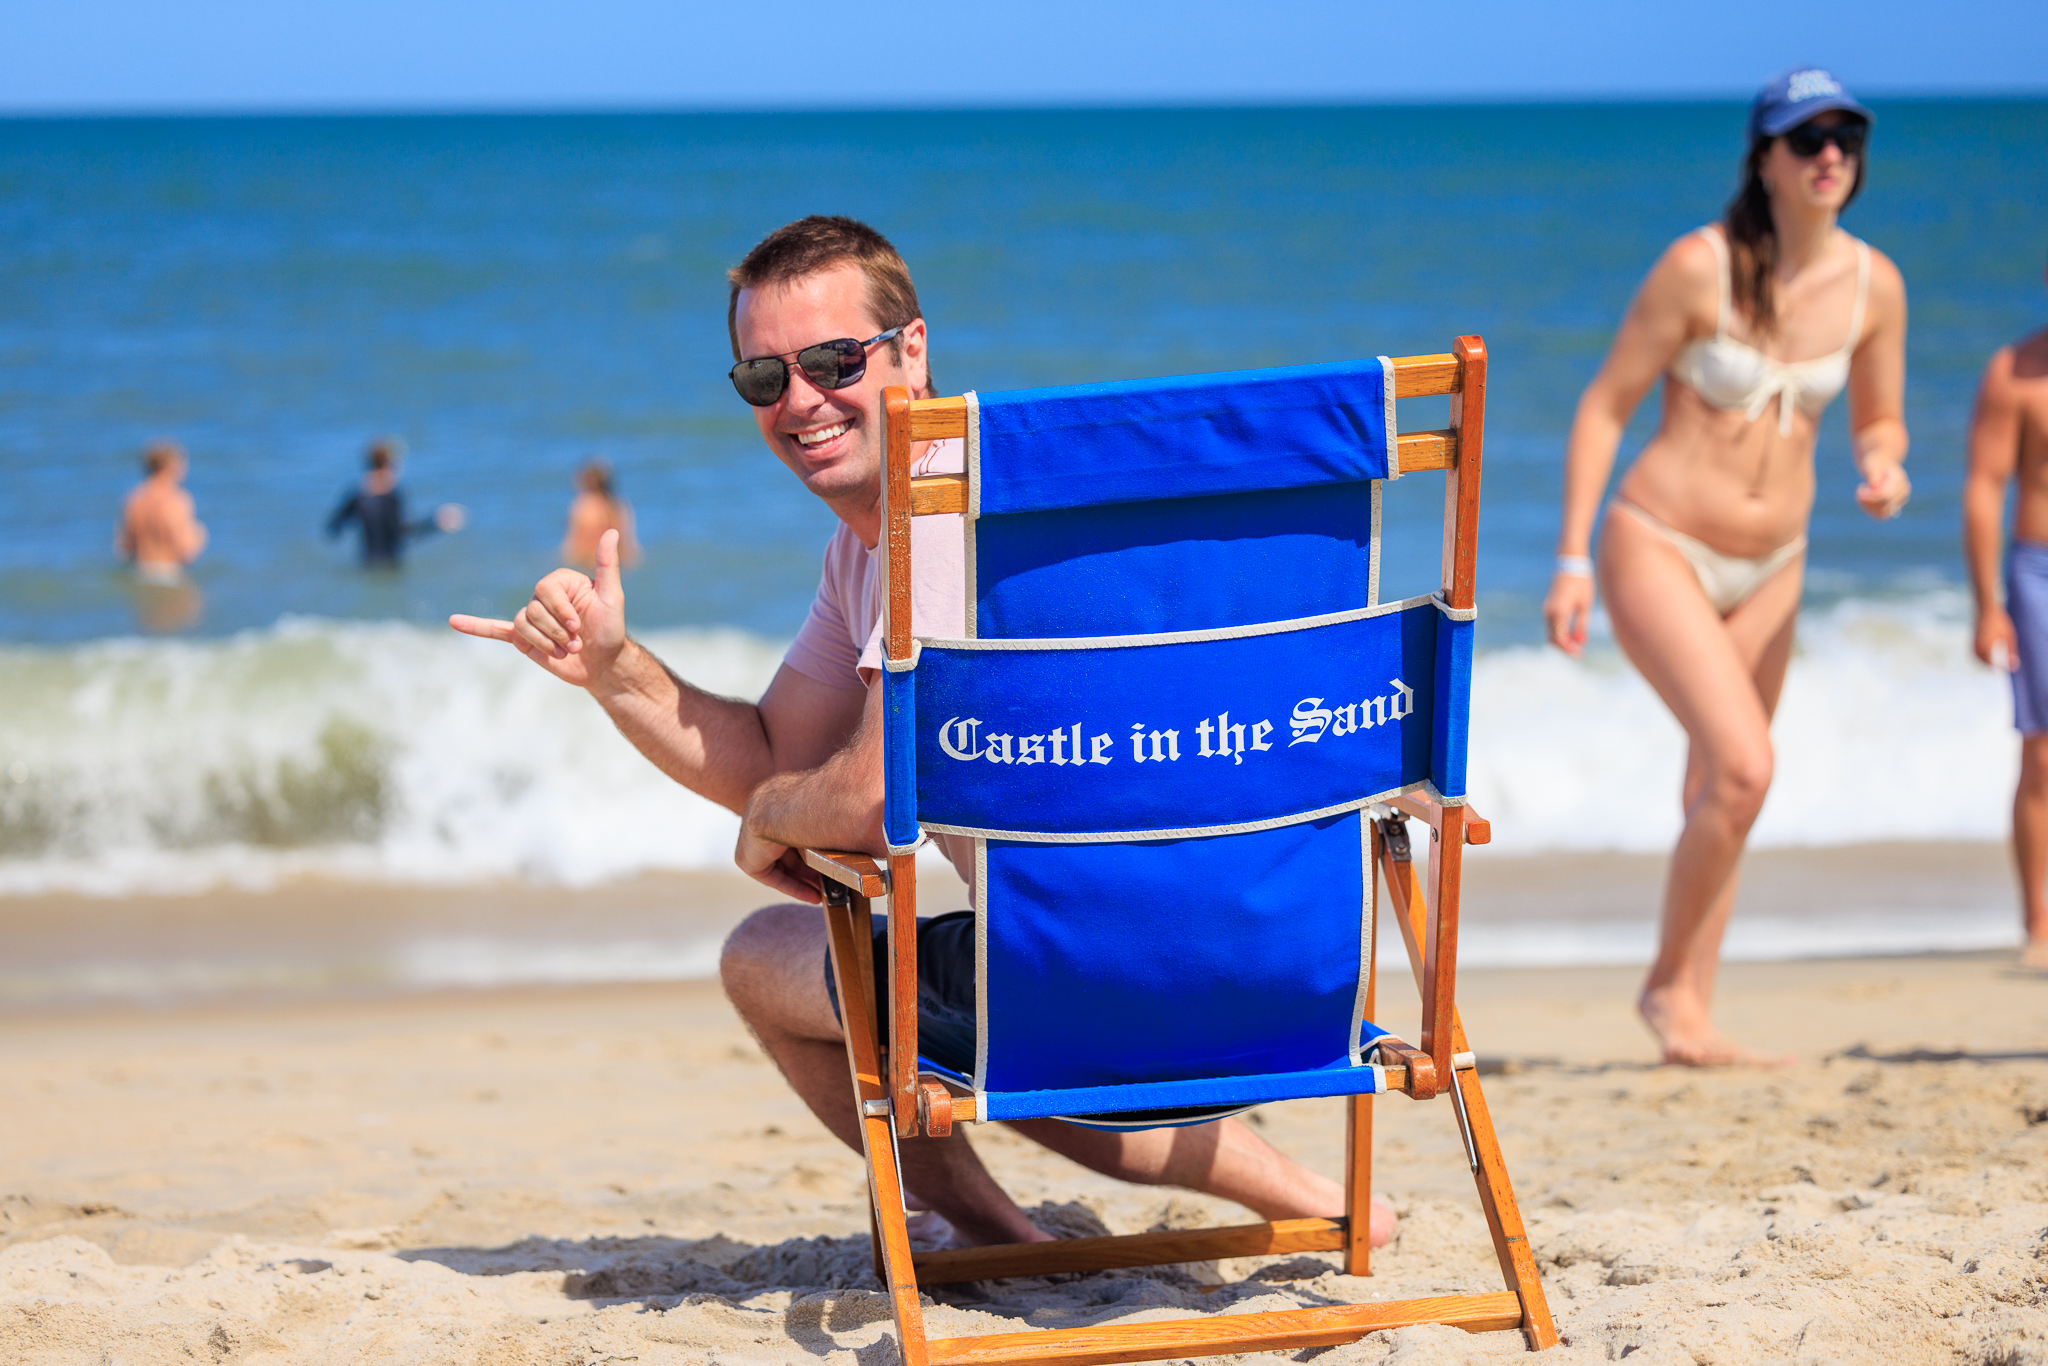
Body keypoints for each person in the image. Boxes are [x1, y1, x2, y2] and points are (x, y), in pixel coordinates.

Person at [449, 215, 1392, 1250]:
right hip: (1299, 973)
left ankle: (1002, 1238)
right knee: (1050, 961)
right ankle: (1326, 1201)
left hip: (1082, 1003)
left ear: (912, 350)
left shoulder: (934, 529)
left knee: (772, 953)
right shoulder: (926, 543)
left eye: (829, 360)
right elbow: (779, 753)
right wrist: (614, 670)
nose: (799, 399)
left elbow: (854, 798)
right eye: (763, 378)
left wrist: (769, 817)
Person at [1541, 69, 1911, 1066]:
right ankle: (1666, 989)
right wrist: (1569, 557)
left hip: (1777, 562)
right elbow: (1603, 406)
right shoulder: (1696, 268)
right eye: (1805, 139)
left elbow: (1877, 417)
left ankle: (1690, 1012)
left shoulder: (1875, 286)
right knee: (1746, 767)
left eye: (1844, 138)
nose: (1827, 155)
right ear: (1763, 160)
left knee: (1718, 781)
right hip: (1658, 541)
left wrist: (1882, 465)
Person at [1962, 259, 2048, 970]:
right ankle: (2039, 927)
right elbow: (1985, 488)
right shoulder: (2016, 373)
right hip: (2038, 573)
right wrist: (1987, 604)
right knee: (2043, 753)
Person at [326, 438, 465, 566]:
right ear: (389, 463)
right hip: (390, 565)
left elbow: (333, 528)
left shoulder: (357, 495)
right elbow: (402, 532)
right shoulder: (392, 496)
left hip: (367, 564)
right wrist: (435, 523)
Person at [116, 440, 207, 583]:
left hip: (140, 574)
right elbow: (185, 548)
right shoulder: (177, 499)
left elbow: (124, 548)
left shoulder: (134, 498)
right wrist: (200, 537)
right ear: (173, 466)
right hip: (170, 575)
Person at [561, 458, 640, 570]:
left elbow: (572, 545)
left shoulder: (583, 504)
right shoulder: (618, 504)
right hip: (615, 563)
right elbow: (630, 547)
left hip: (587, 563)